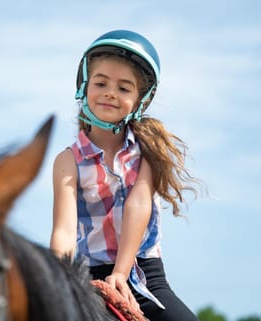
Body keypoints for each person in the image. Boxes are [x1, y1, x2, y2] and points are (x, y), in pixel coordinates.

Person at [50, 29, 201, 321]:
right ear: (84, 86)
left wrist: (121, 272)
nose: (110, 92)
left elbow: (139, 205)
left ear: (140, 100)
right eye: (101, 82)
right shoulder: (68, 161)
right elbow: (65, 232)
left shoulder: (148, 150)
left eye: (124, 88)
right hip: (87, 274)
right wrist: (58, 278)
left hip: (145, 273)